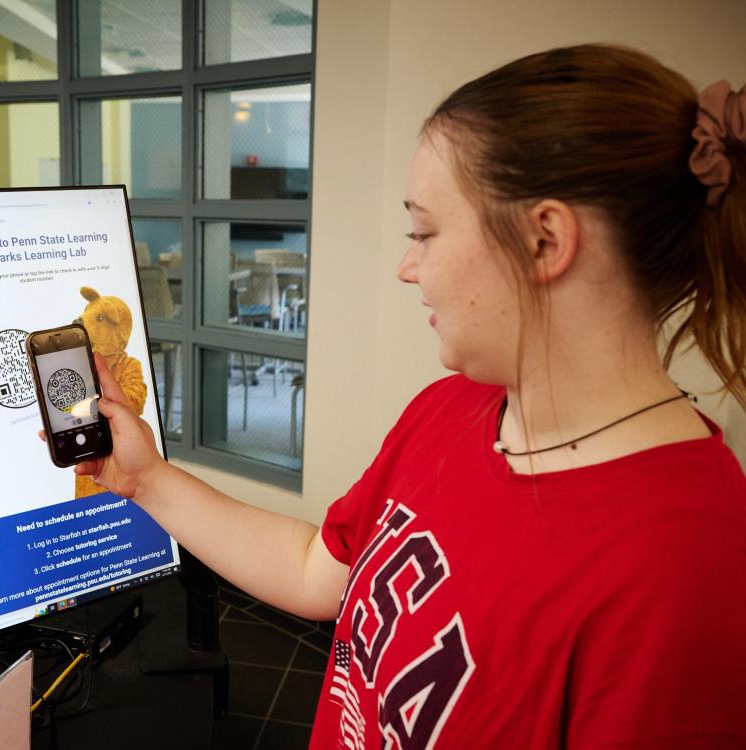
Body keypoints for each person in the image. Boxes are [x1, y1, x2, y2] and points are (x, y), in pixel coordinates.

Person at [65, 45, 746, 747]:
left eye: (425, 230)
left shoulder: (689, 570)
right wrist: (146, 481)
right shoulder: (452, 409)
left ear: (545, 240)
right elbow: (314, 570)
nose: (405, 265)